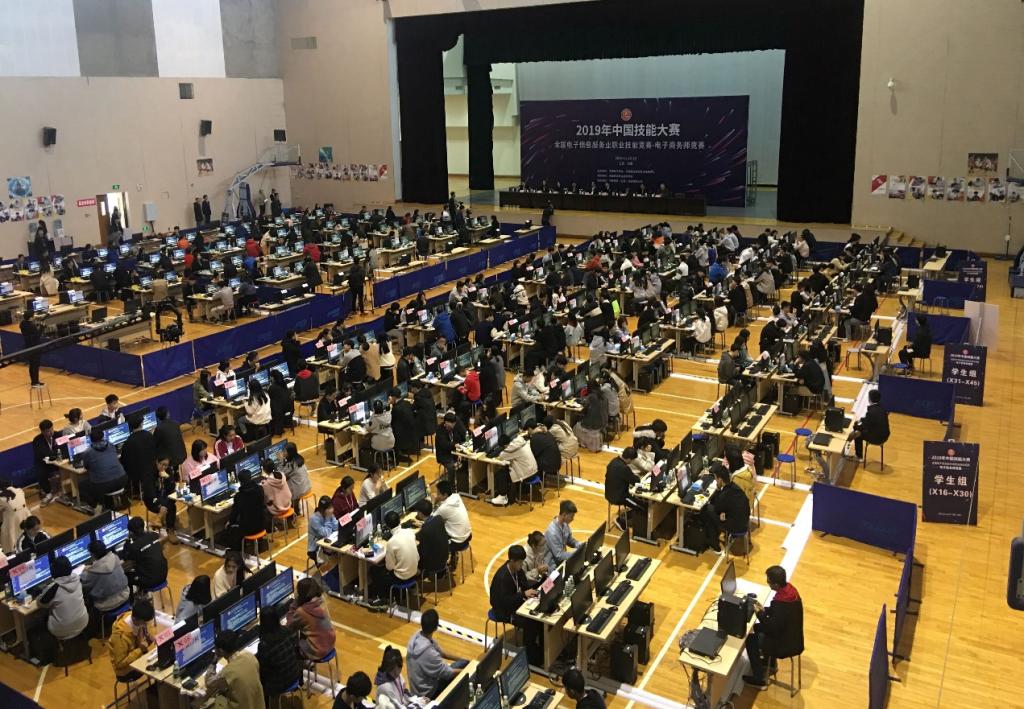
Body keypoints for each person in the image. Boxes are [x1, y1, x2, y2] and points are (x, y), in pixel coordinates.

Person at [743, 565, 804, 689]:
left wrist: (760, 614)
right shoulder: (791, 593)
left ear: (776, 585)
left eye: (769, 581)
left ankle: (759, 679)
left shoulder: (781, 603)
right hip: (794, 636)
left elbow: (771, 629)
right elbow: (779, 614)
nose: (768, 583)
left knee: (750, 638)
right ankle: (768, 664)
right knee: (757, 628)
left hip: (784, 644)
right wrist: (764, 610)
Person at [406, 609, 467, 698]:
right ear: (436, 627)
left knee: (464, 662)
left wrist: (462, 659)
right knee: (463, 676)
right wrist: (468, 670)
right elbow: (448, 673)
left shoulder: (417, 636)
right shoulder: (429, 653)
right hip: (428, 693)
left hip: (417, 689)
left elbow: (443, 653)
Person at [205, 629, 265, 709]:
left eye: (215, 649)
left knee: (212, 702)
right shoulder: (250, 656)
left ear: (221, 651)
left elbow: (209, 683)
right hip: (258, 704)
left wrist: (213, 663)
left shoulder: (227, 673)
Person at [256, 603, 304, 703]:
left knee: (257, 676)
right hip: (295, 674)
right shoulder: (286, 630)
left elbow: (263, 669)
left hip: (279, 684)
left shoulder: (265, 645)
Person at [38, 556, 89, 645]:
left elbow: (40, 603)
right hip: (83, 622)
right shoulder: (77, 579)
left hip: (61, 630)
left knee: (41, 618)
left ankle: (53, 646)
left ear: (53, 572)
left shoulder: (53, 588)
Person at [700, 463, 751, 553]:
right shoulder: (735, 487)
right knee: (716, 512)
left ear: (720, 480)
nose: (716, 481)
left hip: (735, 527)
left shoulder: (724, 495)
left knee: (707, 509)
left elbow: (717, 508)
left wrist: (718, 490)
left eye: (716, 479)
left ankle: (714, 545)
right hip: (745, 522)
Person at [370, 510, 419, 602]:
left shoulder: (392, 542)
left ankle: (382, 598)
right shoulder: (409, 532)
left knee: (375, 570)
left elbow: (389, 567)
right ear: (399, 521)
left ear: (387, 526)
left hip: (401, 578)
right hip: (414, 571)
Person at [288, 577, 336, 661]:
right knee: (304, 631)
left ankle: (303, 666)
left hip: (317, 650)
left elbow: (289, 626)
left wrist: (294, 605)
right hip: (330, 644)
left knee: (289, 648)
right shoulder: (321, 601)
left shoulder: (302, 611)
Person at [79, 429, 129, 510]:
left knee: (82, 485)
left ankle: (97, 506)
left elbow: (86, 466)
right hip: (122, 479)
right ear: (103, 437)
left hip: (104, 485)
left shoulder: (87, 452)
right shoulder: (111, 445)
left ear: (90, 440)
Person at [108, 598, 155, 682]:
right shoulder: (120, 636)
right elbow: (120, 663)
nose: (145, 625)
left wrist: (148, 636)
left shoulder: (137, 617)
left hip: (138, 658)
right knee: (156, 668)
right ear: (134, 619)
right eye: (144, 623)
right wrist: (140, 649)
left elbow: (141, 636)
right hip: (126, 671)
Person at [489, 545, 539, 623]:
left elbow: (526, 586)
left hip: (514, 604)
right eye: (520, 562)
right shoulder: (502, 578)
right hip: (503, 611)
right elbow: (505, 601)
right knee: (531, 622)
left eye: (522, 561)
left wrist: (541, 582)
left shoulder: (518, 570)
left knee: (537, 615)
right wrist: (523, 595)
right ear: (512, 561)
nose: (522, 564)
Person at [81, 539, 131, 613]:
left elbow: (85, 586)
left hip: (107, 605)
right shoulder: (115, 557)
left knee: (87, 597)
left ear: (93, 554)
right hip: (125, 595)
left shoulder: (92, 572)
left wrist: (85, 570)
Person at [490, 431, 537, 507]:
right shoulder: (519, 441)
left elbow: (501, 457)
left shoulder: (510, 450)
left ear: (505, 445)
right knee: (507, 468)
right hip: (533, 468)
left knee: (501, 474)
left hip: (527, 473)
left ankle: (503, 497)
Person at [120, 517, 168, 592]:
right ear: (143, 526)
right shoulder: (154, 535)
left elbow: (125, 557)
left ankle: (133, 598)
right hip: (163, 575)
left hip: (150, 582)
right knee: (143, 564)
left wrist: (128, 540)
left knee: (125, 576)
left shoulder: (134, 547)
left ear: (131, 532)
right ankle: (143, 594)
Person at [604, 448, 646, 532]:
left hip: (609, 493)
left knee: (638, 502)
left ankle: (625, 516)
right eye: (632, 460)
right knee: (642, 507)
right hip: (620, 497)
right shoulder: (624, 468)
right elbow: (635, 481)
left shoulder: (613, 461)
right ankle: (620, 519)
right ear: (629, 459)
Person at [119, 413, 156, 492]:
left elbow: (123, 461)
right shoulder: (149, 435)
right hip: (151, 469)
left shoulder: (128, 442)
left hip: (136, 474)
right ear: (141, 424)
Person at [433, 480, 472, 555]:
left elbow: (431, 520)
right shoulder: (456, 496)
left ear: (445, 495)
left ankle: (443, 562)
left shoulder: (444, 508)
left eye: (438, 493)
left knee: (433, 542)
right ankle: (453, 556)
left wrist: (434, 502)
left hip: (458, 542)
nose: (437, 495)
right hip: (468, 535)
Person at [231, 469, 271, 539]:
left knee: (230, 527)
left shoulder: (238, 496)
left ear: (240, 482)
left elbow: (234, 515)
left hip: (247, 529)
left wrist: (230, 522)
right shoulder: (260, 489)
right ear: (251, 477)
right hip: (262, 524)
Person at [852, 388, 891, 459]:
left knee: (858, 435)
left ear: (870, 399)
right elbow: (871, 420)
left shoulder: (871, 412)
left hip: (877, 438)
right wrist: (861, 419)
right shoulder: (882, 408)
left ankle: (858, 456)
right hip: (885, 436)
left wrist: (855, 426)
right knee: (859, 430)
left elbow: (865, 426)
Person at [414, 500, 449, 578]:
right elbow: (431, 527)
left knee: (412, 553)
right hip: (444, 557)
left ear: (420, 514)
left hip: (433, 564)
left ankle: (419, 575)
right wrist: (423, 525)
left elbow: (416, 538)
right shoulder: (439, 519)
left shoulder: (425, 531)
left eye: (417, 512)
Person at [31, 419, 60, 505]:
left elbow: (63, 447)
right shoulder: (37, 440)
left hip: (58, 460)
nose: (51, 432)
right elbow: (41, 454)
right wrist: (52, 455)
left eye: (52, 429)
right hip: (45, 463)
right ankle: (48, 492)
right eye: (48, 431)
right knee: (40, 471)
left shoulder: (58, 435)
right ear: (42, 432)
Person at [544, 500, 581, 568]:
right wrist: (576, 554)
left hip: (562, 560)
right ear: (564, 515)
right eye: (571, 516)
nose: (573, 519)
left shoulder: (565, 524)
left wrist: (579, 545)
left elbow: (569, 540)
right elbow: (559, 555)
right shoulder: (552, 532)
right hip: (552, 565)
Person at [281, 442, 312, 513]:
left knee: (281, 489)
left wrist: (282, 460)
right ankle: (297, 509)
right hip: (307, 487)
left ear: (290, 453)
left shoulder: (291, 465)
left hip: (299, 492)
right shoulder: (300, 459)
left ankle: (291, 514)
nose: (283, 453)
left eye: (284, 451)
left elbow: (281, 474)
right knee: (290, 481)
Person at [153, 407, 187, 471]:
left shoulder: (159, 429)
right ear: (168, 414)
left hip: (171, 460)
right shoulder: (176, 423)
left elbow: (154, 444)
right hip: (182, 454)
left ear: (158, 417)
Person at [307, 496, 339, 564]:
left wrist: (332, 517)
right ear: (322, 509)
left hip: (328, 543)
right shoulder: (314, 519)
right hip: (315, 548)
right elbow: (326, 534)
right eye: (329, 508)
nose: (332, 509)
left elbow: (336, 528)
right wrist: (328, 518)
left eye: (331, 507)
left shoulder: (330, 514)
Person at [20, 310, 44, 387]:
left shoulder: (22, 323)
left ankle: (34, 381)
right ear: (30, 318)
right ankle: (35, 382)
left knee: (32, 364)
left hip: (28, 346)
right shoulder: (31, 326)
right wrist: (42, 327)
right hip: (35, 346)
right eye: (33, 316)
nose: (34, 317)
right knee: (35, 365)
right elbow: (37, 336)